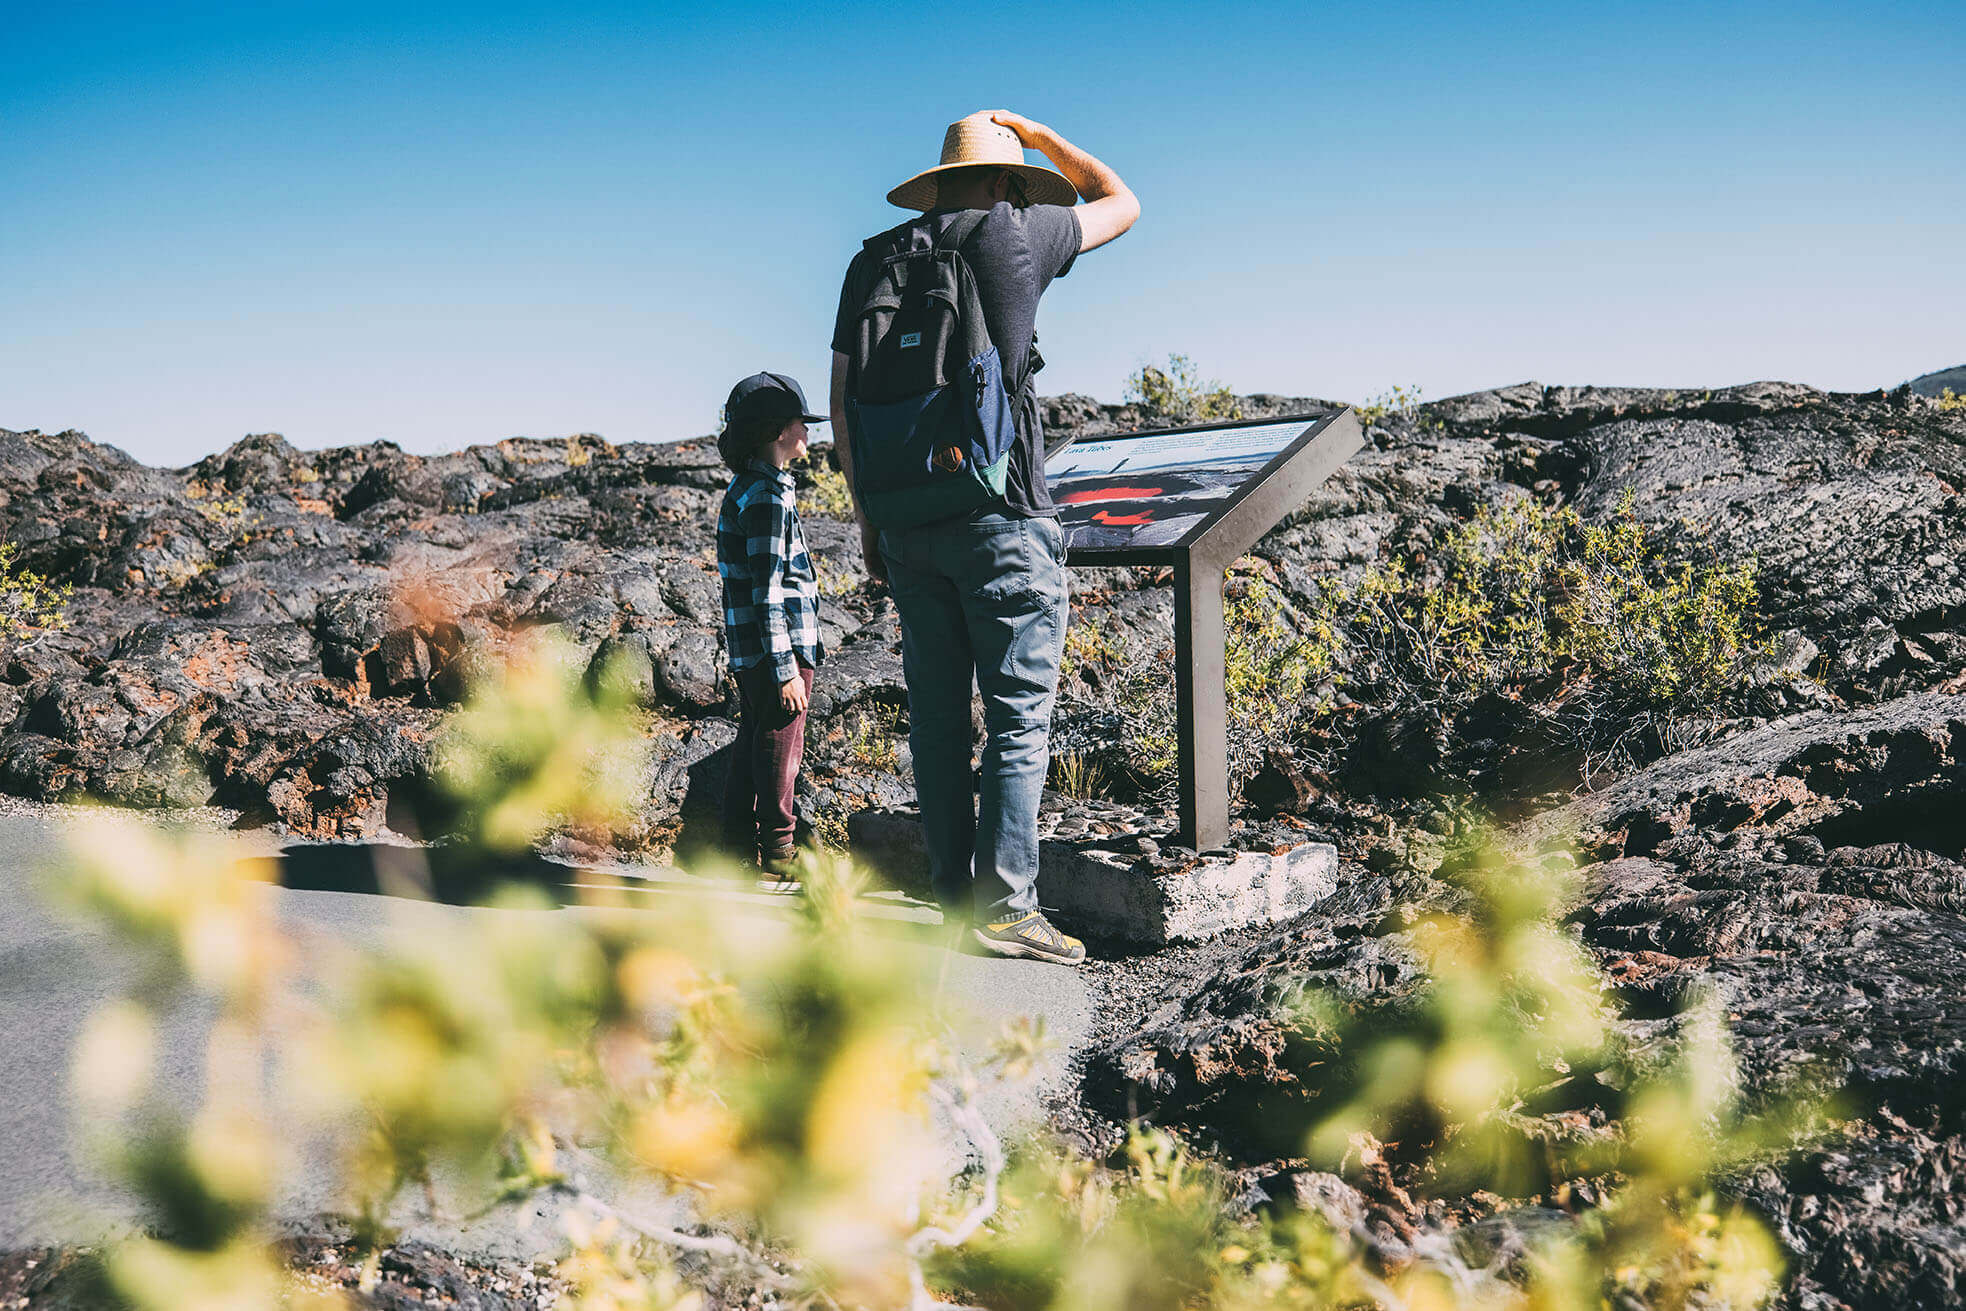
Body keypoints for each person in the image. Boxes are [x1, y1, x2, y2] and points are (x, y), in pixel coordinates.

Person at [829, 111, 1139, 963]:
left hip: (906, 521)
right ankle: (1004, 908)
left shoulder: (872, 260)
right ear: (1005, 178)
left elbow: (844, 402)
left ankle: (947, 892)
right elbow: (1122, 201)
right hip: (1001, 514)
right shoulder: (1015, 234)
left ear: (937, 180)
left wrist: (869, 517)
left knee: (935, 716)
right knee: (1017, 718)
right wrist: (1042, 137)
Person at [716, 372, 828, 888]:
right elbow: (768, 591)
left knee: (754, 740)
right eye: (803, 422)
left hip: (755, 647)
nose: (809, 431)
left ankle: (734, 848)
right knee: (781, 744)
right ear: (780, 429)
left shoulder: (754, 488)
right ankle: (779, 850)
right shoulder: (765, 497)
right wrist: (786, 669)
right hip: (776, 648)